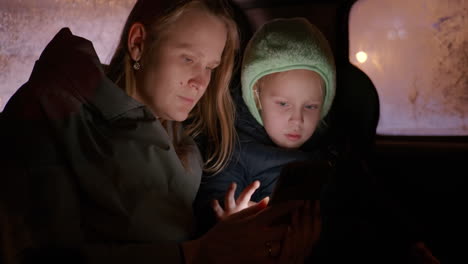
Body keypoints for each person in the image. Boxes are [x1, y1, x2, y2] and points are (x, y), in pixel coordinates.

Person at [0, 0, 319, 263]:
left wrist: (236, 240)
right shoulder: (49, 110)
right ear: (139, 43)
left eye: (210, 66)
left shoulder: (186, 144)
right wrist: (198, 254)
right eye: (188, 58)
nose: (201, 82)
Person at [194, 17, 335, 237]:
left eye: (310, 106)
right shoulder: (233, 151)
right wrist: (231, 221)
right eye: (283, 104)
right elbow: (211, 211)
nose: (297, 119)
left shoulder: (331, 147)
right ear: (256, 99)